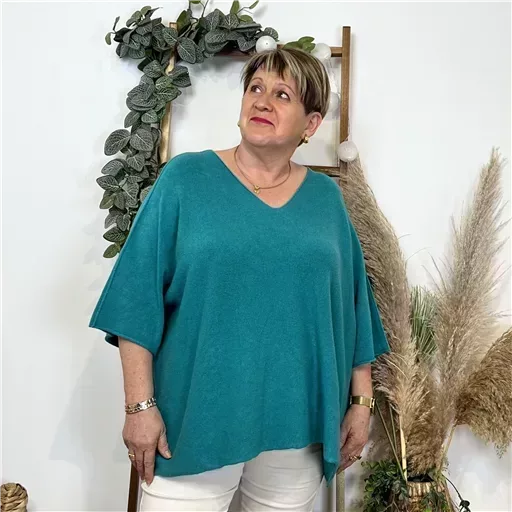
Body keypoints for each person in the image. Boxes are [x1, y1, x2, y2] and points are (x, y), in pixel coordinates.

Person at [89, 47, 389, 511]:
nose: (262, 101)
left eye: (282, 94)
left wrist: (361, 402)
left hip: (298, 425)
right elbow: (135, 298)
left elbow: (353, 308)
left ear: (310, 124)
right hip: (193, 421)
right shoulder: (185, 179)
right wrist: (139, 407)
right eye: (255, 88)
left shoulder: (326, 199)